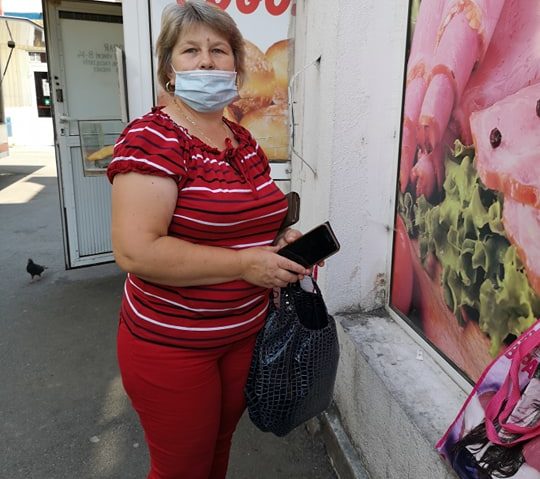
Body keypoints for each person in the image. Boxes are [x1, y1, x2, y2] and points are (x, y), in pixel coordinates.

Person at [106, 1, 310, 478]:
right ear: (169, 69)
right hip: (171, 345)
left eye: (219, 51)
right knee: (181, 469)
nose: (206, 61)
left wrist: (283, 240)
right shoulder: (151, 138)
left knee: (216, 452)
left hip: (242, 337)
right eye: (190, 50)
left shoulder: (243, 140)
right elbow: (136, 250)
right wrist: (244, 266)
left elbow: (256, 221)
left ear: (236, 68)